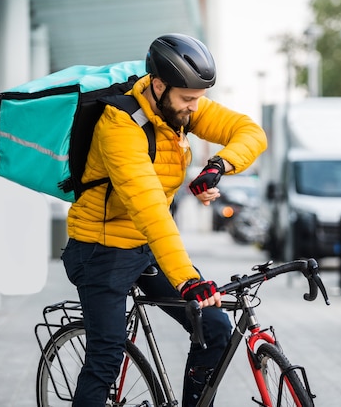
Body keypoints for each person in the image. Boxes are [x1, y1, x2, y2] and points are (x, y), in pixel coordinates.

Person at [61, 33, 268, 407]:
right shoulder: (119, 125)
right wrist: (188, 280)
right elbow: (150, 209)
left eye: (198, 100)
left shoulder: (182, 105)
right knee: (105, 359)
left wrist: (217, 166)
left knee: (215, 326)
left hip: (145, 246)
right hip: (99, 251)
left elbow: (250, 132)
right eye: (188, 100)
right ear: (159, 85)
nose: (194, 108)